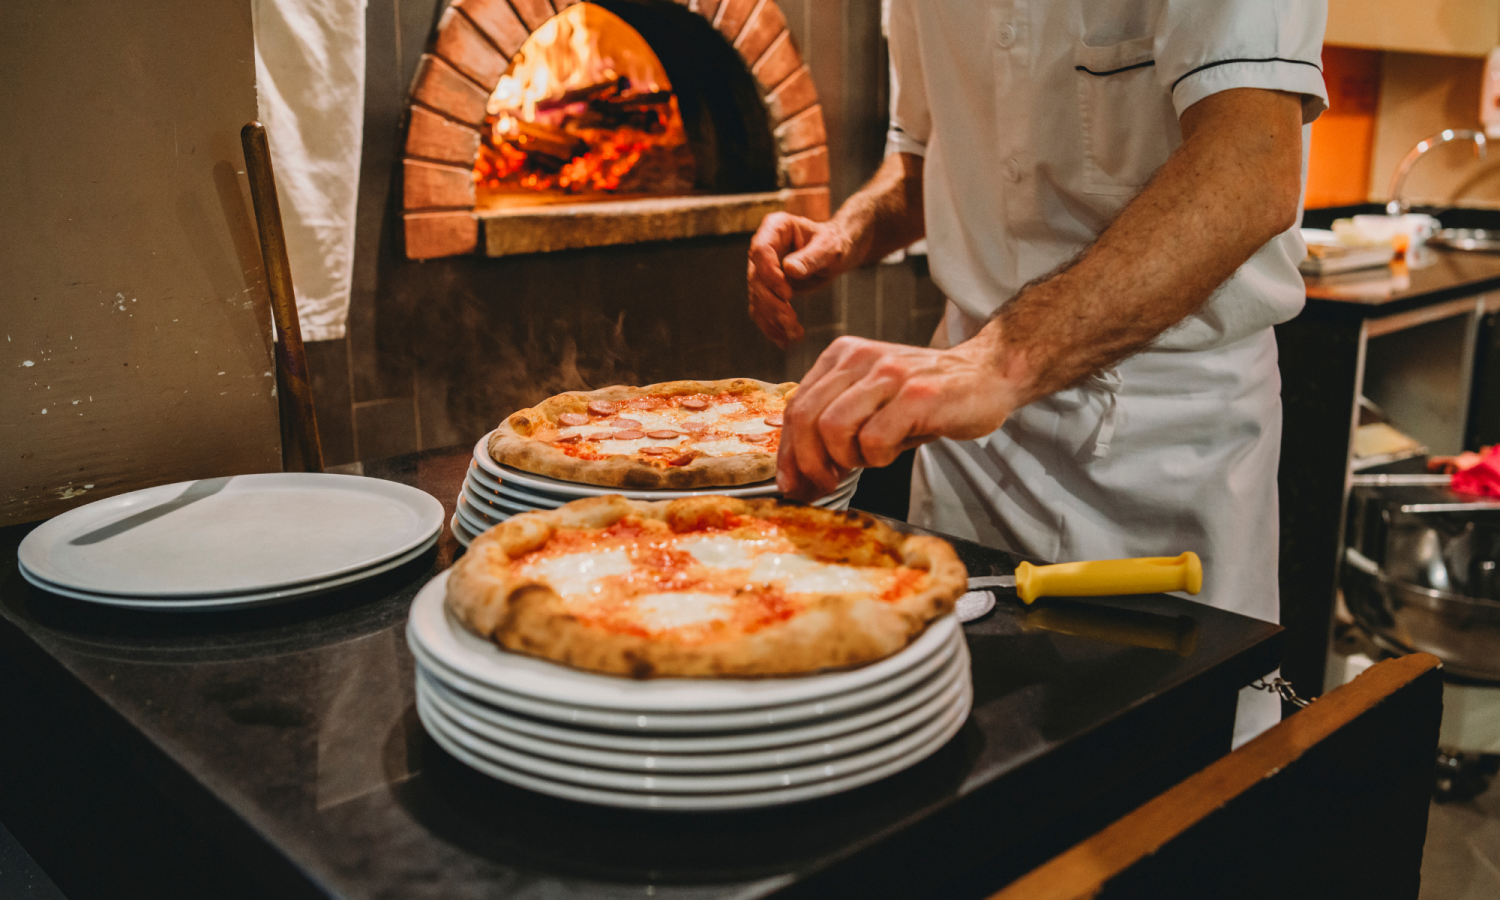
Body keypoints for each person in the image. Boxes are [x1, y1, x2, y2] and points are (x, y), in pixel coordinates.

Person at [746, 1, 1328, 746]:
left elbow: (1250, 162)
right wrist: (847, 233)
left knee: (1167, 792)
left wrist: (998, 360)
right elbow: (924, 157)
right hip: (968, 444)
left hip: (1164, 444)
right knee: (957, 762)